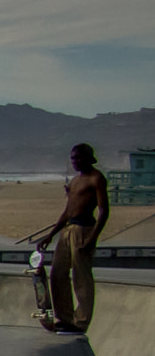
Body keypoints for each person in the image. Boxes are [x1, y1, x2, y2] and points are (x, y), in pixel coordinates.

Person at [41, 143, 110, 336]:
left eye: (79, 157)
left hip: (84, 229)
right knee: (57, 273)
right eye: (72, 158)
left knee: (81, 278)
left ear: (89, 158)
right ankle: (65, 318)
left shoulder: (96, 179)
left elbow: (104, 210)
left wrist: (93, 237)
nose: (75, 161)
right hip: (68, 229)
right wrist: (50, 235)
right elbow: (67, 211)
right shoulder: (74, 182)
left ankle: (80, 322)